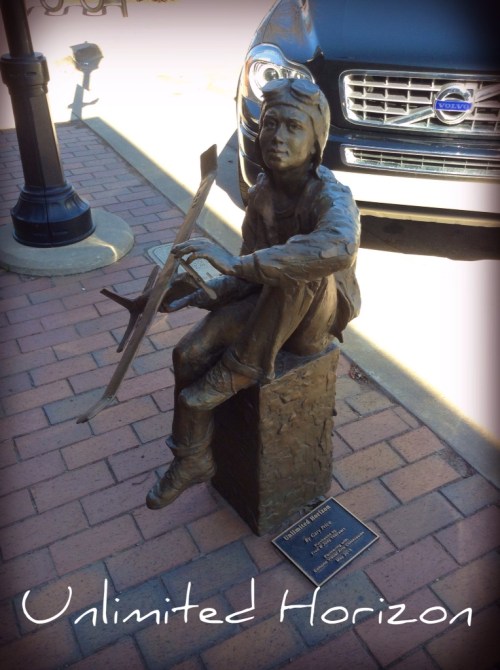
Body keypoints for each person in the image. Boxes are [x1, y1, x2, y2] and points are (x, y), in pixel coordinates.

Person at [146, 78, 361, 510]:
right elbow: (245, 272)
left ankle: (237, 370)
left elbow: (337, 246)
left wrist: (238, 266)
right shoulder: (262, 192)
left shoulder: (331, 196)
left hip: (311, 323)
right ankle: (193, 458)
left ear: (315, 142)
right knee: (187, 355)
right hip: (269, 304)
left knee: (299, 269)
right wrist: (203, 292)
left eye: (293, 127)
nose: (277, 137)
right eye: (270, 124)